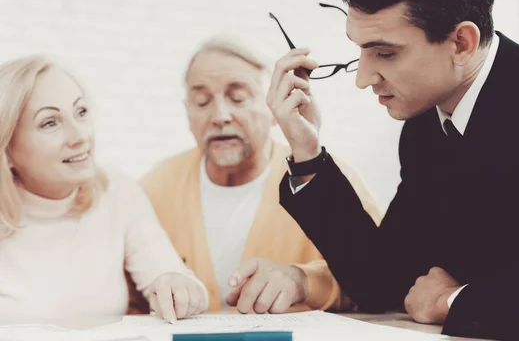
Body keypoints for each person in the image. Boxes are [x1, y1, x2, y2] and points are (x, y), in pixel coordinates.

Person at [265, 0, 519, 339]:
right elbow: (383, 279)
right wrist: (307, 151)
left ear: (462, 42)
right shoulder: (425, 128)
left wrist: (452, 301)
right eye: (362, 51)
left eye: (385, 53)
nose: (362, 78)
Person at [139, 35, 380, 314]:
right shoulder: (155, 189)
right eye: (202, 101)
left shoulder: (325, 180)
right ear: (187, 112)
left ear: (274, 107)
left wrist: (304, 281)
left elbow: (383, 279)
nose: (220, 116)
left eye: (238, 98)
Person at [0, 56, 209, 324]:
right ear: (7, 151)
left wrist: (179, 287)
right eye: (50, 123)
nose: (80, 136)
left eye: (81, 112)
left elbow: (181, 282)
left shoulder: (117, 191)